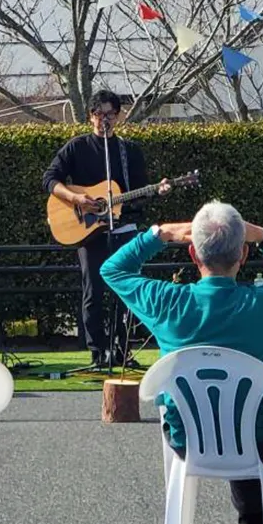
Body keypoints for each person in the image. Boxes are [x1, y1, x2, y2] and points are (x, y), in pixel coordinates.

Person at [100, 200, 263, 524]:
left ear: (191, 252)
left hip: (190, 437)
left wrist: (158, 235)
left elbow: (113, 269)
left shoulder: (166, 302)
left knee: (238, 406)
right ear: (244, 253)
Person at [43, 90, 170, 370]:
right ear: (90, 117)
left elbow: (138, 192)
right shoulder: (76, 148)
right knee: (94, 291)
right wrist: (76, 198)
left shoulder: (129, 152)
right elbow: (50, 179)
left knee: (126, 291)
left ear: (118, 116)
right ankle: (98, 352)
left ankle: (123, 350)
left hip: (123, 229)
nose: (105, 120)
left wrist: (154, 191)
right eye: (99, 114)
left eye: (110, 114)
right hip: (88, 232)